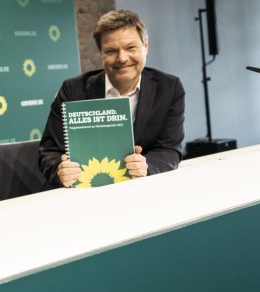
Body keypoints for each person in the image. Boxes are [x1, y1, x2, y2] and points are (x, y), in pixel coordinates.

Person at [39, 9, 185, 188]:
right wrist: (59, 171)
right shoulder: (73, 91)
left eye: (130, 48)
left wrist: (147, 167)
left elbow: (170, 150)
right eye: (111, 51)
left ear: (145, 46)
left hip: (146, 190)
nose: (122, 58)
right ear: (101, 53)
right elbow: (49, 152)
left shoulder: (169, 88)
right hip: (84, 195)